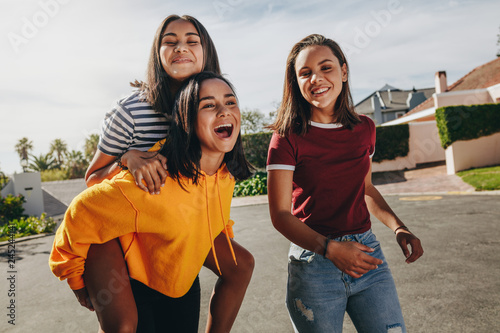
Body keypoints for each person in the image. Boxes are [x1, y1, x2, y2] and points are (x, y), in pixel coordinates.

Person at [81, 15, 254, 333]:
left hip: (180, 214)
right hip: (131, 219)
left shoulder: (213, 100)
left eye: (191, 40)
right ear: (157, 53)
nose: (181, 47)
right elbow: (92, 179)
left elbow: (215, 179)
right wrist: (128, 157)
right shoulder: (131, 110)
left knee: (240, 265)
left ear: (206, 52)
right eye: (169, 41)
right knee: (125, 323)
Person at [266, 34, 424, 333]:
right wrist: (330, 249)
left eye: (326, 68)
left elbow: (365, 189)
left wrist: (398, 227)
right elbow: (280, 215)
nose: (316, 78)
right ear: (295, 82)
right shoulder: (286, 137)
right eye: (305, 73)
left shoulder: (365, 128)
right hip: (314, 264)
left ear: (344, 71)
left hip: (366, 254)